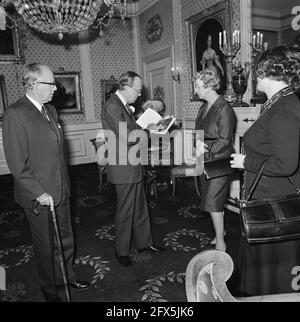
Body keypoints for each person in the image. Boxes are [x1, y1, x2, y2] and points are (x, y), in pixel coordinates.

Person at [2, 63, 89, 302]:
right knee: (45, 246)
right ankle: (50, 290)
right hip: (38, 195)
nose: (55, 88)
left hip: (61, 188)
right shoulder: (15, 114)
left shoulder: (51, 110)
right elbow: (17, 164)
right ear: (32, 84)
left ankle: (68, 276)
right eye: (50, 83)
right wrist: (39, 192)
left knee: (66, 238)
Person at [231, 45, 300, 296]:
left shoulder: (285, 108)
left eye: (258, 70)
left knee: (276, 273)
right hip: (269, 197)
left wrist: (245, 162)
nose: (255, 76)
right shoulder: (278, 103)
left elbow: (286, 163)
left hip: (276, 203)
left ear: (269, 71)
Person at [101, 71, 164, 267]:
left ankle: (144, 243)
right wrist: (149, 131)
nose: (139, 94)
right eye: (137, 90)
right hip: (123, 166)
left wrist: (145, 126)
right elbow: (128, 137)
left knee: (140, 206)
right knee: (126, 210)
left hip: (132, 163)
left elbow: (129, 129)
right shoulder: (112, 106)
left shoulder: (123, 105)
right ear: (125, 88)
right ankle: (122, 251)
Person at [194, 70, 236, 252]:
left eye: (198, 86)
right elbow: (200, 130)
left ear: (210, 85)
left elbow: (226, 140)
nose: (195, 90)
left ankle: (221, 242)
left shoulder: (224, 108)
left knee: (213, 201)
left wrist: (207, 150)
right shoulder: (204, 106)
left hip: (219, 161)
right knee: (213, 200)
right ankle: (222, 232)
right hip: (206, 158)